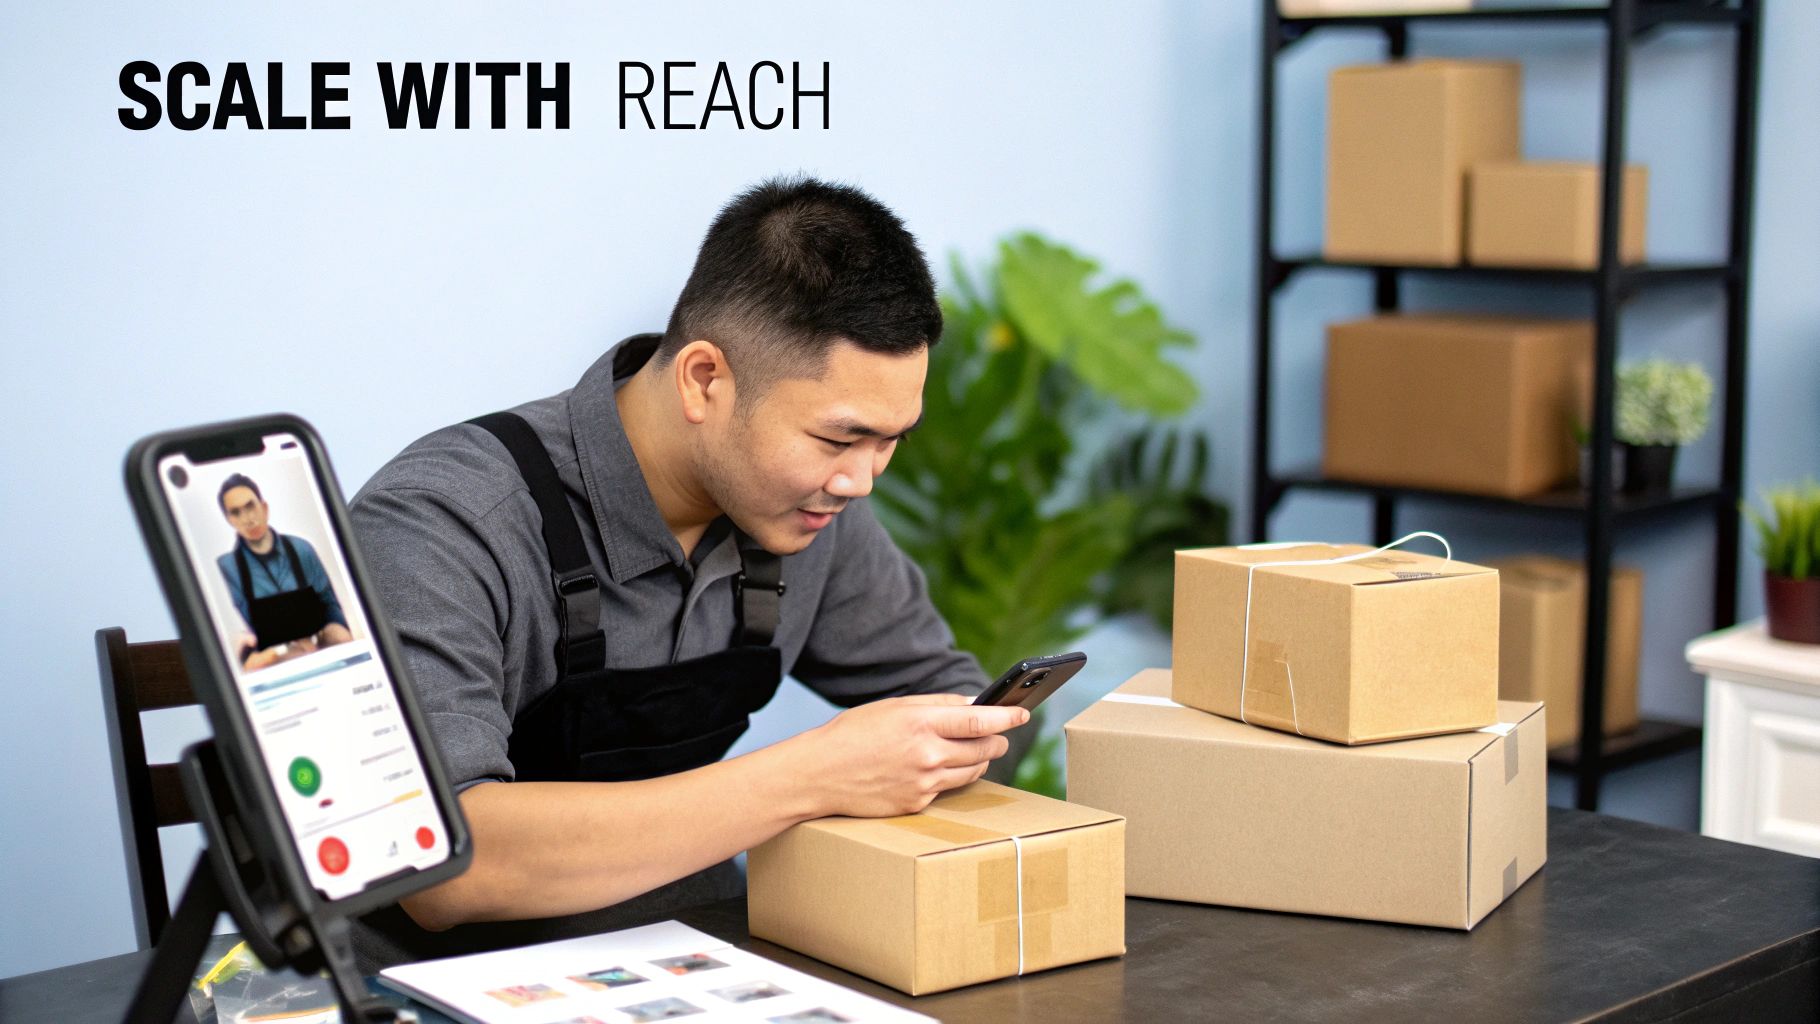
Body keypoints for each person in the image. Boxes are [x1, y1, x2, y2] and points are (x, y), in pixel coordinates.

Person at [347, 177, 1030, 969]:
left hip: (701, 961)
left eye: (890, 441)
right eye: (839, 440)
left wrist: (955, 743)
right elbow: (444, 867)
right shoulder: (446, 519)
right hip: (426, 982)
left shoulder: (811, 508)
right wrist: (814, 776)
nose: (860, 481)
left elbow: (951, 696)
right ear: (704, 379)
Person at [214, 473, 353, 670]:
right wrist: (282, 650)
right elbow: (242, 628)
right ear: (229, 520)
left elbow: (329, 603)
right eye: (236, 512)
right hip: (274, 653)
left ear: (264, 507)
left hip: (318, 640)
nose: (248, 519)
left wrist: (337, 634)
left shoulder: (301, 549)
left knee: (341, 636)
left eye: (250, 506)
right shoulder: (228, 568)